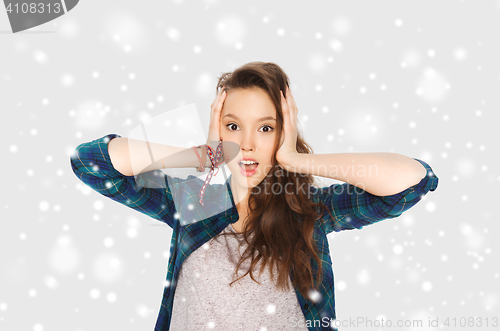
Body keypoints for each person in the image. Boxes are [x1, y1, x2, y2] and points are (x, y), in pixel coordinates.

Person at [70, 61, 439, 331]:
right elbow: (91, 163)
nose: (247, 144)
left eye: (265, 128)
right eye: (233, 126)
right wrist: (201, 156)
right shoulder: (194, 202)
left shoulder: (307, 212)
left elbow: (413, 180)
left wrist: (298, 159)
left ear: (283, 134)